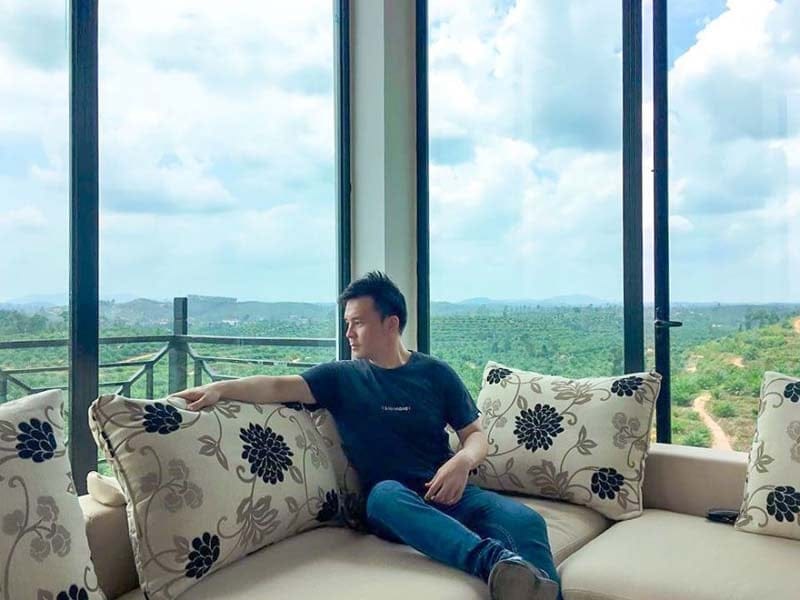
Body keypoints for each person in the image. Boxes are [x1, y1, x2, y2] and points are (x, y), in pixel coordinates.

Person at [173, 272, 561, 600]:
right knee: (385, 494)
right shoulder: (342, 377)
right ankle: (494, 564)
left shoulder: (435, 374)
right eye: (346, 323)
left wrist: (462, 461)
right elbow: (277, 386)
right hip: (392, 505)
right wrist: (220, 389)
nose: (348, 333)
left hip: (450, 493)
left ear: (390, 324)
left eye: (357, 322)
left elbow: (475, 435)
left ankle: (535, 589)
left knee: (525, 520)